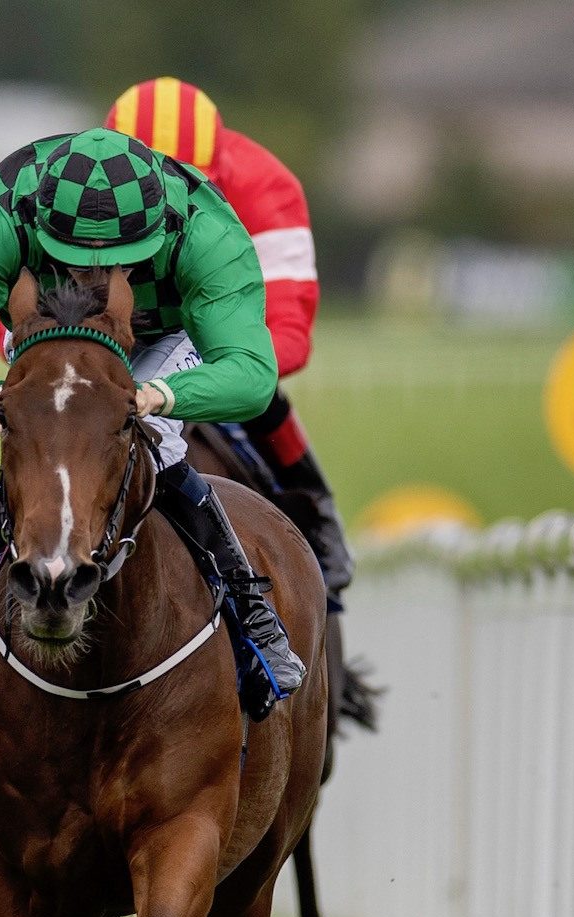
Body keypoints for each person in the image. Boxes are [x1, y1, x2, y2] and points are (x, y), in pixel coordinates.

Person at [0, 126, 302, 734]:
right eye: (77, 258)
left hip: (162, 338)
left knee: (162, 442)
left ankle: (251, 614)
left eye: (115, 259)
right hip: (45, 331)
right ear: (43, 229)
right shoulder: (2, 210)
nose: (97, 275)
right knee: (44, 441)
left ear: (156, 233)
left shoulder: (204, 228)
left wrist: (158, 393)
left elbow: (251, 374)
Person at [106, 75, 351, 592]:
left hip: (220, 330)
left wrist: (214, 373)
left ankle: (315, 508)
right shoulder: (75, 176)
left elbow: (288, 334)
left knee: (264, 398)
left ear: (220, 171)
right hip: (117, 336)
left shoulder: (268, 187)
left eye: (192, 184)